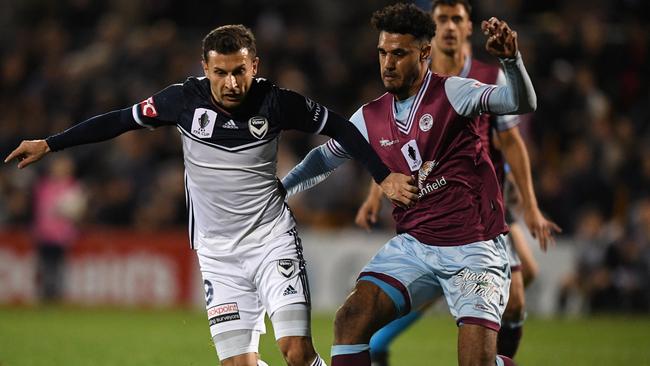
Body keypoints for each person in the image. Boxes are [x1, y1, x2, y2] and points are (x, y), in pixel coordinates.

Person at [4, 24, 417, 366]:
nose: (231, 82)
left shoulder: (276, 102)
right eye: (220, 72)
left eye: (240, 71)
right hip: (218, 256)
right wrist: (50, 144)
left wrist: (382, 176)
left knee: (294, 352)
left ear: (254, 65)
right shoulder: (183, 101)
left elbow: (343, 128)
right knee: (239, 364)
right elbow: (118, 121)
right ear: (205, 68)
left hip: (272, 243)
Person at [282, 4, 537, 365]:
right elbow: (325, 158)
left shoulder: (455, 93)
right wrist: (282, 190)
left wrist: (512, 62)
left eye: (399, 54)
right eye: (383, 53)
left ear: (424, 53)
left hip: (474, 249)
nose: (388, 63)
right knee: (350, 320)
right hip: (415, 246)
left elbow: (520, 102)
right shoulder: (370, 117)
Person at [351, 1, 561, 364]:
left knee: (516, 293)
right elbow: (392, 146)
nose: (448, 26)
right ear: (430, 33)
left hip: (482, 205)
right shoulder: (409, 80)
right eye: (441, 19)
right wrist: (375, 193)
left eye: (456, 19)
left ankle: (480, 349)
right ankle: (383, 343)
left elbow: (511, 141)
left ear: (468, 28)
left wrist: (530, 206)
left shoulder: (481, 76)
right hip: (430, 203)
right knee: (441, 286)